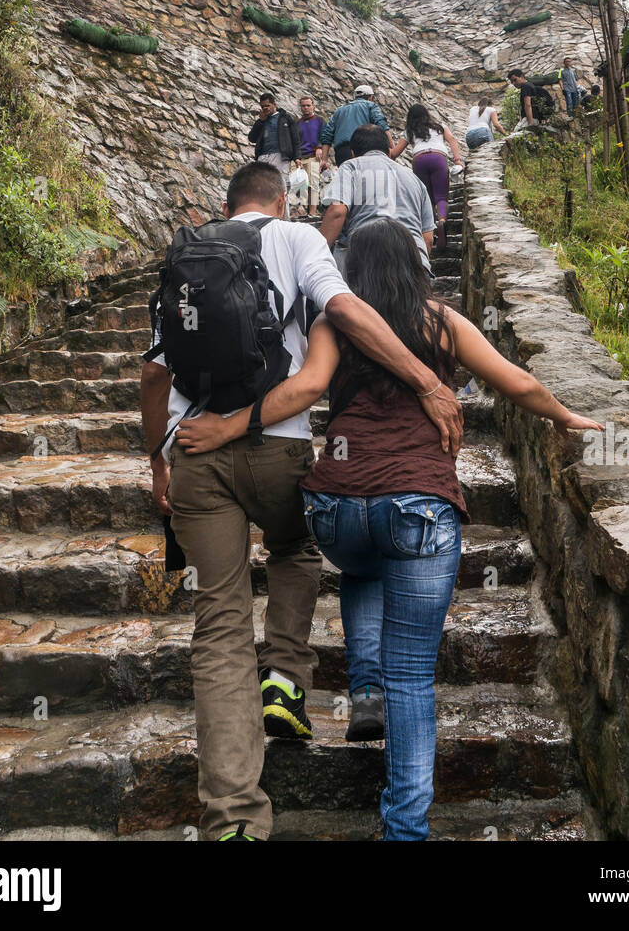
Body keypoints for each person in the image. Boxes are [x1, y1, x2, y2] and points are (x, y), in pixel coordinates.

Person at [177, 217, 604, 842]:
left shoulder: (332, 325)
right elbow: (517, 382)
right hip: (419, 508)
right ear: (414, 266)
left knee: (363, 562)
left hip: (338, 509)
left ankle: (366, 686)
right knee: (415, 674)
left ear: (353, 272)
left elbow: (310, 385)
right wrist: (569, 415)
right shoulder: (441, 321)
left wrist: (230, 424)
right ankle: (404, 825)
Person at [140, 164, 463, 844]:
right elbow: (342, 310)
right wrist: (425, 379)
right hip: (278, 444)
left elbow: (154, 370)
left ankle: (232, 820)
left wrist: (157, 461)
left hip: (193, 451)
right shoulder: (295, 239)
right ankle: (286, 675)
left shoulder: (186, 254)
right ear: (281, 200)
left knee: (219, 627)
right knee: (293, 546)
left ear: (224, 204)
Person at [320, 124, 435, 275]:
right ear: (388, 152)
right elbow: (428, 238)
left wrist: (316, 255)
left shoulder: (351, 167)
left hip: (369, 263)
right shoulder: (414, 179)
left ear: (353, 153)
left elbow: (337, 211)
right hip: (415, 262)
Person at [389, 104, 462, 252]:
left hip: (419, 159)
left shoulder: (409, 132)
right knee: (441, 197)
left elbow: (394, 154)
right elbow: (453, 139)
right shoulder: (439, 127)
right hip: (438, 157)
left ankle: (430, 230)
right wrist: (458, 160)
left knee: (426, 198)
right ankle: (441, 220)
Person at [319, 83, 390, 168]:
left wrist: (324, 159)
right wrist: (392, 148)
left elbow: (327, 135)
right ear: (370, 97)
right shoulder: (371, 106)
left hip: (342, 153)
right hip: (364, 150)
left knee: (347, 179)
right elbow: (382, 125)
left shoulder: (339, 111)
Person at [247, 91, 301, 182]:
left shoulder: (286, 118)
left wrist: (297, 157)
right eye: (263, 106)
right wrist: (261, 121)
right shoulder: (261, 121)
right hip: (263, 157)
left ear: (274, 104)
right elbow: (252, 138)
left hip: (281, 156)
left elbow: (296, 139)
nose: (265, 108)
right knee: (262, 186)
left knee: (280, 184)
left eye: (267, 106)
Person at [297, 95, 326, 218]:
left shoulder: (320, 120)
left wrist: (320, 148)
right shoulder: (297, 123)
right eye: (303, 106)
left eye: (308, 105)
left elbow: (324, 136)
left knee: (313, 184)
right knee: (301, 185)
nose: (306, 108)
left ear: (313, 106)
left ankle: (312, 212)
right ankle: (302, 209)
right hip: (301, 157)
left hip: (314, 155)